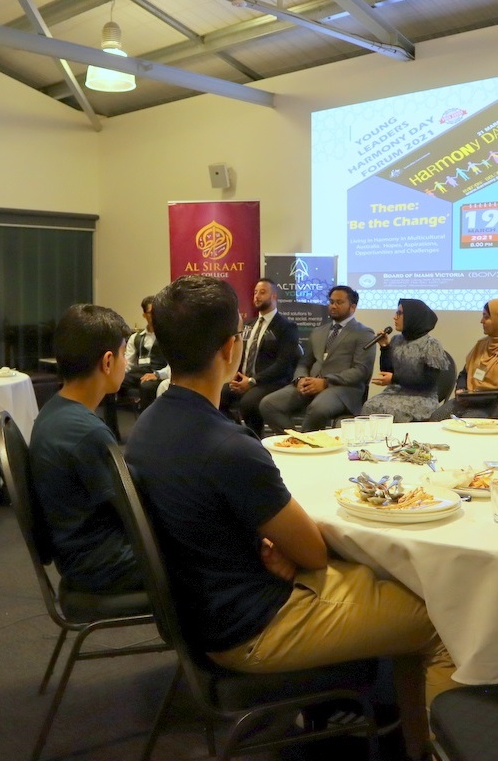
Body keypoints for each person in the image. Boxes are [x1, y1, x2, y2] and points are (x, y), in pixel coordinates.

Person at [125, 274, 459, 761]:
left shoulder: (149, 427)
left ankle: (389, 726)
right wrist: (277, 549)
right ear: (230, 348)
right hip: (253, 627)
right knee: (442, 621)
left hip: (203, 611)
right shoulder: (229, 446)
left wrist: (267, 545)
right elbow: (311, 552)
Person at [29, 303, 146, 595]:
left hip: (80, 552)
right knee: (212, 553)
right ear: (107, 362)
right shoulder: (87, 431)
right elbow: (133, 509)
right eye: (123, 354)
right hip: (102, 564)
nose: (127, 364)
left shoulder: (55, 410)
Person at [259, 285, 375, 432]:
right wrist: (300, 378)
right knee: (269, 404)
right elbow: (304, 362)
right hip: (309, 384)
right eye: (331, 302)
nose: (333, 306)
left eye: (339, 302)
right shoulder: (319, 332)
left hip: (342, 389)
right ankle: (297, 443)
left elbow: (361, 371)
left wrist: (326, 382)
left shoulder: (364, 333)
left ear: (352, 307)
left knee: (317, 409)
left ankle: (307, 448)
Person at [219, 278, 299, 437]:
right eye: (255, 292)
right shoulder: (249, 324)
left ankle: (255, 440)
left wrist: (252, 381)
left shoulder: (286, 326)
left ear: (274, 296)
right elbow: (241, 353)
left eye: (262, 292)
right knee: (218, 394)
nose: (257, 296)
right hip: (244, 379)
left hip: (271, 381)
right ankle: (235, 432)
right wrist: (236, 374)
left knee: (248, 402)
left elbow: (283, 364)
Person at [361, 299, 449, 422]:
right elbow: (387, 371)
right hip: (395, 392)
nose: (394, 317)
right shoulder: (397, 340)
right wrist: (384, 347)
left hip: (422, 397)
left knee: (394, 412)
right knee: (369, 406)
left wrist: (394, 378)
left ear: (412, 317)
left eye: (399, 313)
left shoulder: (431, 344)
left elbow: (428, 381)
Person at [102, 295, 169, 438]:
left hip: (157, 373)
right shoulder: (135, 337)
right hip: (138, 372)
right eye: (151, 312)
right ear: (144, 315)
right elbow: (129, 363)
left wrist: (157, 374)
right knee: (108, 383)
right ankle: (111, 430)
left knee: (147, 386)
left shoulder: (167, 336)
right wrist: (115, 374)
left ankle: (146, 432)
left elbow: (172, 364)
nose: (155, 315)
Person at [430, 299, 498, 421]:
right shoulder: (481, 345)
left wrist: (477, 398)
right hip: (469, 400)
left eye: (486, 317)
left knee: (467, 421)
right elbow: (465, 373)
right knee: (436, 418)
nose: (481, 321)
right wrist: (461, 389)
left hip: (492, 405)